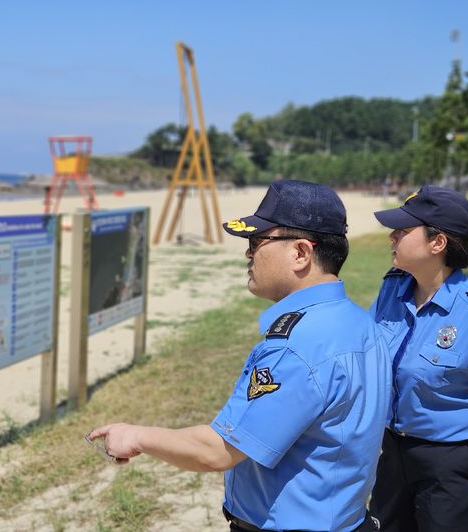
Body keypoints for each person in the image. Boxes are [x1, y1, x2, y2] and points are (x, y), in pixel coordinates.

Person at [90, 180, 391, 531]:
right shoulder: (359, 322)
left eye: (257, 241)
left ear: (301, 253)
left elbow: (218, 451)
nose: (248, 253)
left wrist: (135, 436)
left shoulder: (295, 346)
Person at [368, 185, 468, 532]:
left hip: (451, 466)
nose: (392, 236)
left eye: (403, 231)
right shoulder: (393, 288)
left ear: (438, 243)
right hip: (394, 453)